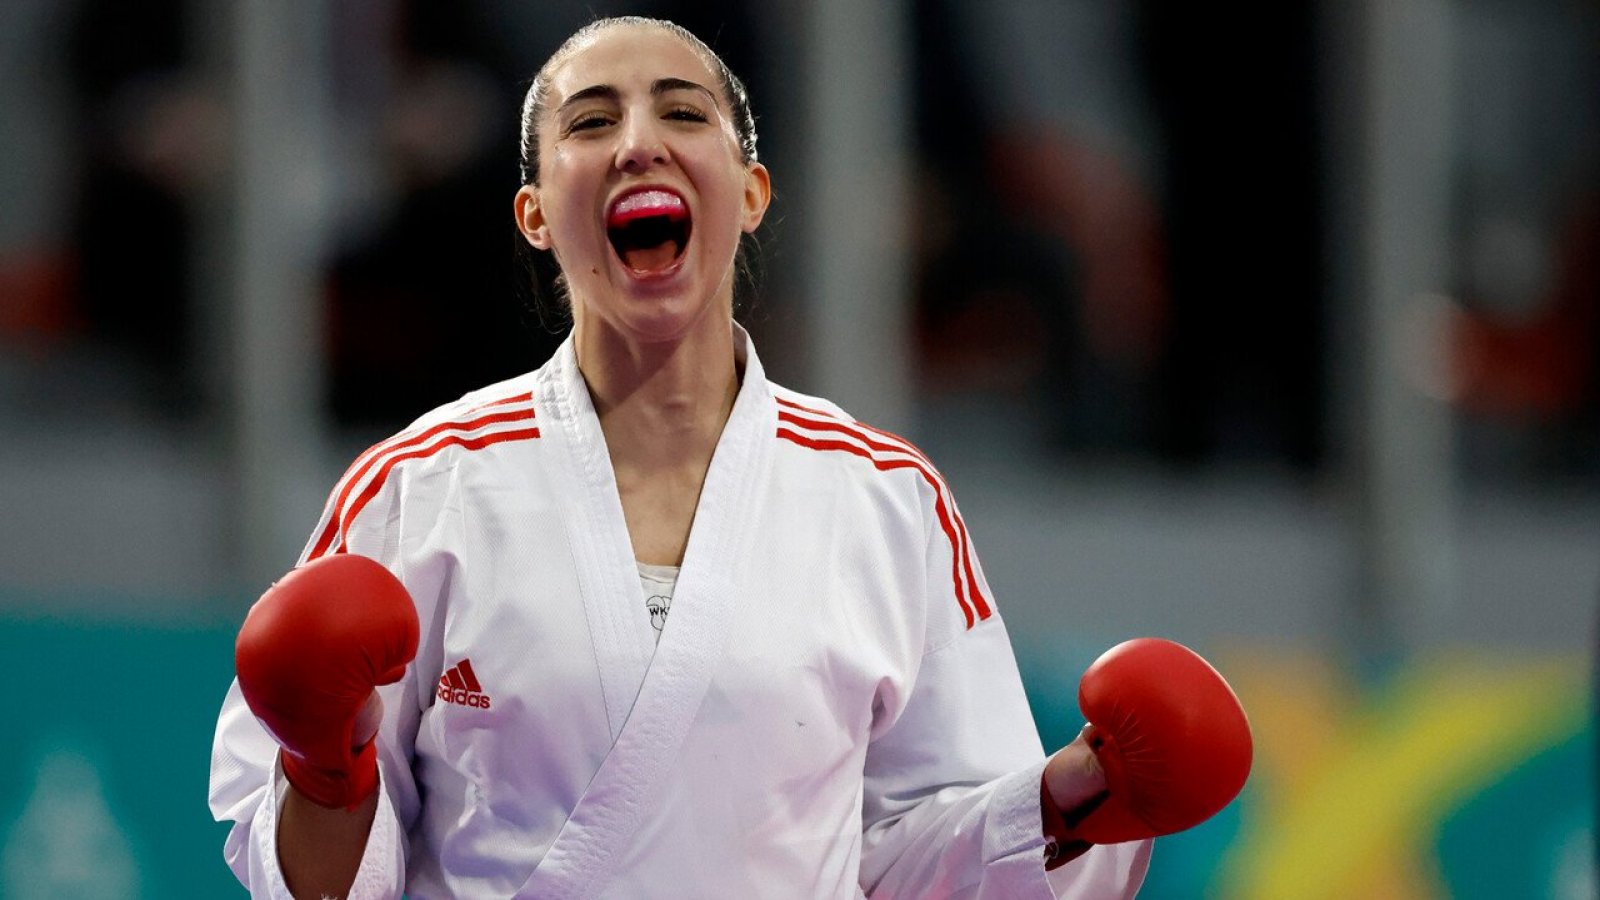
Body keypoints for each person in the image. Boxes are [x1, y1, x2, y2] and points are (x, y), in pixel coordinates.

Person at [209, 16, 1248, 898]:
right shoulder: (419, 489)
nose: (638, 144)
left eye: (682, 110)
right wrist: (324, 764)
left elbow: (900, 867)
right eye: (590, 121)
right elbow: (313, 884)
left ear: (748, 193)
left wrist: (1076, 790)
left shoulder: (884, 501)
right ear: (534, 215)